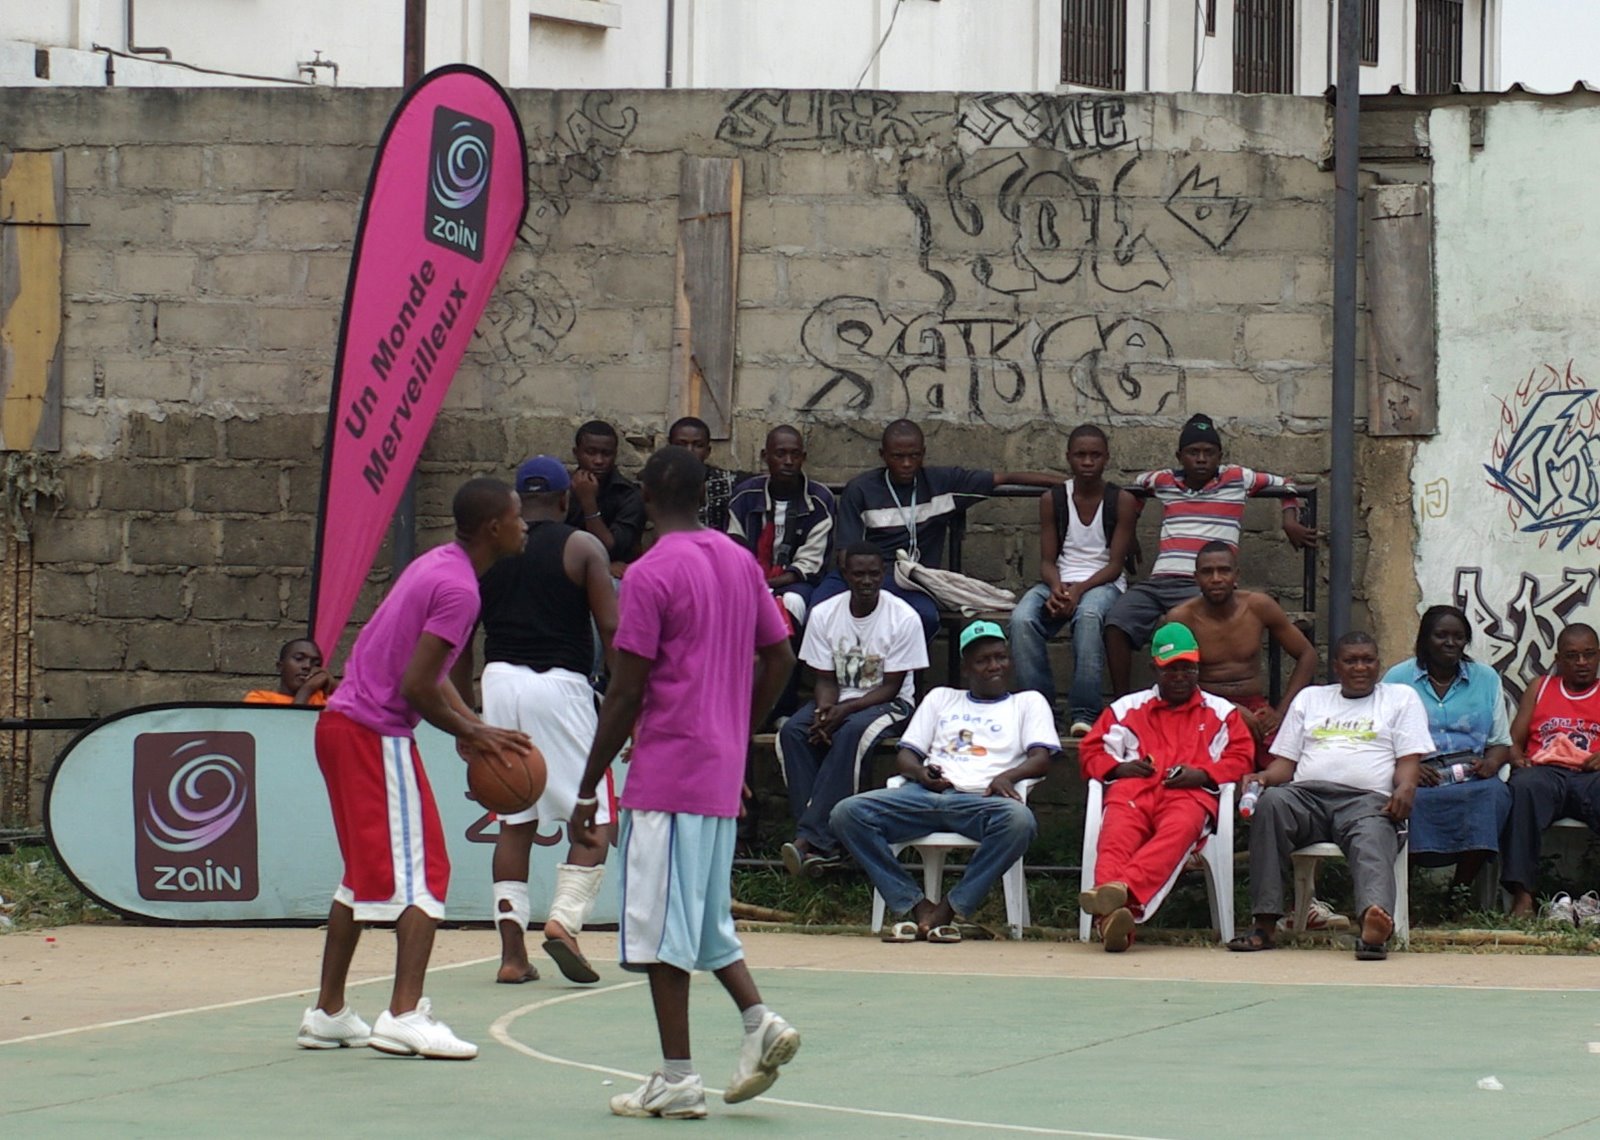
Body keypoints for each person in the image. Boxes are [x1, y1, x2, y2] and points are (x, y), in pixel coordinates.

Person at [569, 447, 800, 1120]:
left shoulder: (646, 574)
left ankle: (677, 1077)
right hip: (717, 770)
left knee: (660, 933)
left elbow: (626, 688)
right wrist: (738, 726)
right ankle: (758, 1020)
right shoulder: (737, 560)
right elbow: (780, 654)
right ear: (704, 496)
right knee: (700, 919)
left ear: (644, 493)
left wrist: (589, 785)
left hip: (669, 774)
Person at [296, 478, 533, 1060]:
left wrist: (467, 723)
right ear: (493, 528)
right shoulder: (461, 590)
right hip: (374, 733)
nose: (525, 526)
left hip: (344, 727)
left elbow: (427, 674)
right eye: (518, 517)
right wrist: (472, 731)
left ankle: (328, 1013)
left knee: (358, 879)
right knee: (427, 872)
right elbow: (416, 686)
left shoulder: (438, 565)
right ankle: (403, 1014)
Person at [448, 455, 620, 987]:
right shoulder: (582, 547)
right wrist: (624, 703)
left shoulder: (490, 552)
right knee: (593, 821)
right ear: (567, 499)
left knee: (515, 821)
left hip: (499, 682)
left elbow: (458, 644)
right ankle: (564, 922)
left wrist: (466, 719)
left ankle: (511, 955)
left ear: (517, 502)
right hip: (560, 685)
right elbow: (613, 633)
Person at [830, 621, 1059, 943]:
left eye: (1000, 657)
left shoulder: (1027, 702)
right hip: (922, 795)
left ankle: (948, 909)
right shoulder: (941, 698)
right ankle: (915, 904)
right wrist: (921, 773)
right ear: (966, 668)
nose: (994, 666)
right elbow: (906, 755)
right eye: (983, 660)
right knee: (846, 813)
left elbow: (1041, 758)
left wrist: (1007, 776)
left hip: (981, 801)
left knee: (1020, 821)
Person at [1229, 632, 1433, 961]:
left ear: (1378, 664)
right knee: (1271, 804)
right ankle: (1265, 923)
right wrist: (1263, 777)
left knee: (1373, 835)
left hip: (1365, 800)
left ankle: (1373, 922)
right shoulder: (1311, 699)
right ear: (1336, 666)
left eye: (1368, 660)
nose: (1360, 667)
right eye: (1351, 660)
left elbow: (1409, 761)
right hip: (1306, 798)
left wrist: (1406, 787)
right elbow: (1286, 765)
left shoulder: (1400, 698)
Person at [1105, 413, 1318, 694]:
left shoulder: (1236, 478)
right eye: (1194, 452)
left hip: (1201, 584)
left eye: (1209, 453)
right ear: (1180, 456)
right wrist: (1130, 531)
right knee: (1116, 622)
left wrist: (1289, 520)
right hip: (1159, 582)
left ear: (1220, 455)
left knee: (1196, 627)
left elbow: (1287, 483)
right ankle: (1122, 701)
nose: (1201, 459)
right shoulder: (1165, 481)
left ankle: (1189, 703)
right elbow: (1133, 490)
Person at [1077, 622, 1255, 951]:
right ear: (1154, 669)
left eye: (1187, 668)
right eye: (1170, 669)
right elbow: (1091, 751)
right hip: (1134, 790)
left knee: (1178, 831)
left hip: (1189, 795)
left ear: (1198, 666)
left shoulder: (1221, 712)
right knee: (1115, 834)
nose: (1179, 676)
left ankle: (1118, 896)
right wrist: (1118, 767)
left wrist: (1202, 774)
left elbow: (1241, 757)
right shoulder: (1126, 708)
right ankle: (1115, 916)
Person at [816, 419, 1060, 639]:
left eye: (914, 456)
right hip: (865, 575)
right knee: (818, 610)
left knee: (924, 617)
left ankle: (905, 685)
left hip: (911, 580)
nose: (907, 463)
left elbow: (1004, 478)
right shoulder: (861, 489)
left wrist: (1072, 483)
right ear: (883, 455)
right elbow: (846, 555)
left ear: (923, 454)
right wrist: (868, 592)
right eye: (898, 457)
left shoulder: (941, 483)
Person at [777, 543, 927, 877]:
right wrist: (826, 710)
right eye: (859, 574)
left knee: (851, 734)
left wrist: (842, 713)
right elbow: (825, 679)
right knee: (793, 732)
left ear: (883, 574)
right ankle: (823, 846)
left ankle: (808, 839)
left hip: (890, 704)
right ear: (845, 575)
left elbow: (890, 687)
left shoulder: (903, 617)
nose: (867, 581)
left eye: (874, 574)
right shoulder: (825, 613)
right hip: (842, 700)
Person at [1010, 424, 1138, 736]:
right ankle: (1040, 711)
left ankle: (1084, 713)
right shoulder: (1053, 499)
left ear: (1106, 458)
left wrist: (1079, 590)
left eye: (1095, 455)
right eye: (1080, 455)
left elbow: (1115, 565)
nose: (1087, 462)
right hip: (1061, 581)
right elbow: (1046, 561)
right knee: (1021, 619)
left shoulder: (1120, 500)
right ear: (1068, 458)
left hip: (1102, 583)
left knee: (1090, 615)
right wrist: (1057, 588)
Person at [1381, 605, 1512, 898]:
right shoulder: (1397, 679)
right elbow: (1378, 739)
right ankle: (1403, 894)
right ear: (1425, 639)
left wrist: (1491, 763)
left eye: (1458, 636)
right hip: (1419, 776)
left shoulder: (1486, 678)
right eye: (1441, 635)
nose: (1450, 643)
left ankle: (1460, 891)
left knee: (1494, 797)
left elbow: (1501, 741)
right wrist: (1409, 767)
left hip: (1471, 776)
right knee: (1409, 802)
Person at [1163, 541, 1318, 767]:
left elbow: (1307, 655)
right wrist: (1228, 709)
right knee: (1202, 765)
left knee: (1287, 765)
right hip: (1203, 707)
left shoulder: (1258, 606)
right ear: (1196, 578)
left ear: (1236, 575)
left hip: (1255, 709)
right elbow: (1170, 678)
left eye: (1224, 570)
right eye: (1207, 572)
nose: (1216, 578)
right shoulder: (1182, 617)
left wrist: (1281, 712)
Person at [1501, 623, 1600, 918]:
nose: (1581, 663)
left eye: (1589, 655)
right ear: (1558, 659)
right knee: (1523, 788)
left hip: (1591, 775)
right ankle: (1524, 897)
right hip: (1546, 773)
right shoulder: (1541, 687)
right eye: (1572, 656)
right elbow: (1513, 741)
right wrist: (1517, 759)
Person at [727, 424, 836, 630]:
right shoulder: (745, 496)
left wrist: (768, 586)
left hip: (795, 583)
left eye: (795, 455)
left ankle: (786, 661)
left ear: (803, 457)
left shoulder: (820, 500)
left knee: (792, 603)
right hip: (748, 580)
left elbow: (810, 564)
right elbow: (734, 549)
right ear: (764, 456)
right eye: (780, 454)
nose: (788, 462)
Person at [567, 420, 645, 576]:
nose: (598, 461)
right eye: (590, 452)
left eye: (606, 454)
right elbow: (552, 542)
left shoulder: (629, 494)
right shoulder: (563, 490)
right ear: (576, 453)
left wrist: (588, 502)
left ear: (615, 455)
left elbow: (611, 547)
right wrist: (600, 566)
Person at [667, 415, 741, 532]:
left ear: (708, 451)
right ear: (669, 447)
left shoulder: (730, 482)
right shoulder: (657, 485)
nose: (689, 451)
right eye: (681, 444)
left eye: (698, 445)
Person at [244, 638, 336, 705]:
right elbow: (288, 729)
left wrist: (334, 687)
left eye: (316, 664)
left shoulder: (325, 701)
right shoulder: (259, 698)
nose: (307, 666)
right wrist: (306, 690)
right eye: (299, 658)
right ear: (280, 666)